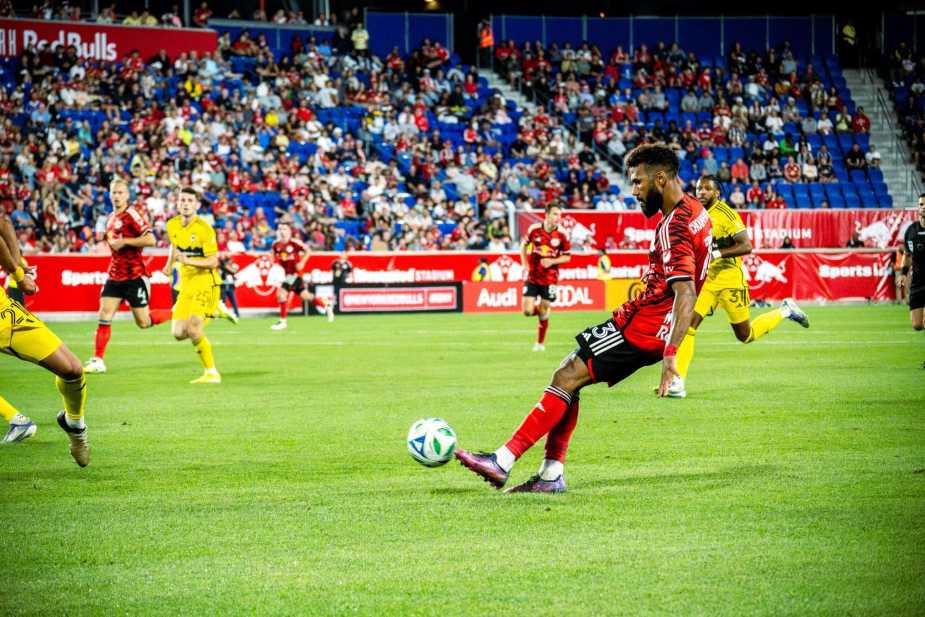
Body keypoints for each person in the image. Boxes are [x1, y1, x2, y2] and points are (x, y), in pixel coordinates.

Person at [454, 144, 711, 493]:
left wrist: (671, 354)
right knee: (570, 374)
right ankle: (548, 476)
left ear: (661, 179)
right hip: (651, 324)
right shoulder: (696, 210)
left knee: (566, 374)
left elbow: (686, 292)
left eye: (638, 182)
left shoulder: (675, 225)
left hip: (644, 327)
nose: (634, 190)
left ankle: (503, 460)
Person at [661, 176, 810, 398]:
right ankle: (677, 381)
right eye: (699, 187)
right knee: (689, 325)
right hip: (707, 280)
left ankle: (785, 310)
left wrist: (717, 253)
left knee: (745, 335)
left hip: (730, 279)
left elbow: (746, 245)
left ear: (717, 193)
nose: (701, 191)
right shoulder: (694, 213)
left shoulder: (727, 215)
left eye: (707, 188)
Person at [0, 213, 89, 466]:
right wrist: (18, 273)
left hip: (3, 312)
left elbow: (4, 223)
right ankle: (17, 420)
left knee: (72, 369)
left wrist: (18, 270)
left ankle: (75, 425)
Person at [83, 179, 173, 374]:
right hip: (114, 275)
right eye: (114, 192)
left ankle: (177, 313)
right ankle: (98, 359)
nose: (117, 196)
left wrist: (125, 242)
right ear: (109, 194)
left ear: (127, 195)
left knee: (143, 322)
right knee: (104, 314)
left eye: (121, 192)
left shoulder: (132, 214)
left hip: (135, 276)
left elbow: (151, 239)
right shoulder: (110, 217)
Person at [162, 188, 223, 384]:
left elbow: (213, 261)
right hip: (186, 286)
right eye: (182, 200)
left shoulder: (205, 229)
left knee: (194, 329)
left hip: (206, 284)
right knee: (179, 333)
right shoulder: (172, 225)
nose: (186, 203)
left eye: (190, 200)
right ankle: (217, 310)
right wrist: (169, 264)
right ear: (177, 203)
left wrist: (188, 261)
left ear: (196, 205)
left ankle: (211, 372)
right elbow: (174, 245)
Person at [520, 203, 571, 352]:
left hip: (550, 278)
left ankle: (540, 343)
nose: (558, 218)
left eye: (560, 215)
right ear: (547, 214)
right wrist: (524, 264)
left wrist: (552, 261)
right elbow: (523, 246)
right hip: (533, 276)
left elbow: (567, 257)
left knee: (544, 308)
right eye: (555, 214)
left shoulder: (562, 234)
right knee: (527, 311)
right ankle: (543, 311)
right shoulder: (534, 230)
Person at [271, 222, 333, 330]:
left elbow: (308, 251)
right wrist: (274, 263)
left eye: (285, 229)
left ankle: (283, 322)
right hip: (289, 275)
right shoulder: (276, 244)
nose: (282, 231)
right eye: (280, 229)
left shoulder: (295, 243)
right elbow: (273, 255)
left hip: (295, 274)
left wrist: (302, 262)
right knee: (306, 296)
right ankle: (326, 306)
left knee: (281, 294)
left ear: (289, 231)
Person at [900, 193, 925, 367]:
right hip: (917, 283)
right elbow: (907, 255)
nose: (922, 207)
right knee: (917, 325)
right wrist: (902, 273)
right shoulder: (911, 230)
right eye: (920, 204)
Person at [218, 252, 241, 319]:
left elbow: (233, 271)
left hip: (230, 285)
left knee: (233, 301)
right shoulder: (221, 266)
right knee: (223, 301)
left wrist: (225, 265)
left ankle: (237, 314)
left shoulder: (232, 266)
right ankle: (222, 314)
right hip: (223, 285)